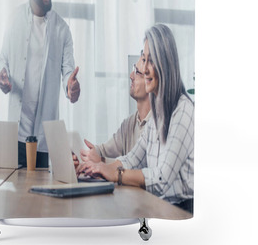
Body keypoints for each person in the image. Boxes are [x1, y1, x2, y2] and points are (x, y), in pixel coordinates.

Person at [77, 24, 194, 213]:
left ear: (165, 64)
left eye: (151, 61)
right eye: (144, 59)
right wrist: (97, 168)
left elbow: (162, 180)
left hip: (180, 210)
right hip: (159, 205)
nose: (144, 68)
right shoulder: (158, 112)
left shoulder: (183, 111)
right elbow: (133, 158)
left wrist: (116, 173)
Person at [0, 0, 80, 168]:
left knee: (40, 196)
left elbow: (68, 72)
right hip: (16, 135)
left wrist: (71, 88)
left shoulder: (62, 29)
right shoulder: (14, 19)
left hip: (43, 138)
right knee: (14, 194)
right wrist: (2, 75)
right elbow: (2, 60)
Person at [76, 55, 151, 165]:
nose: (131, 76)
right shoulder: (129, 123)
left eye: (137, 72)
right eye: (133, 69)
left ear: (151, 80)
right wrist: (85, 156)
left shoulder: (157, 125)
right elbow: (104, 151)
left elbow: (142, 168)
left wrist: (101, 161)